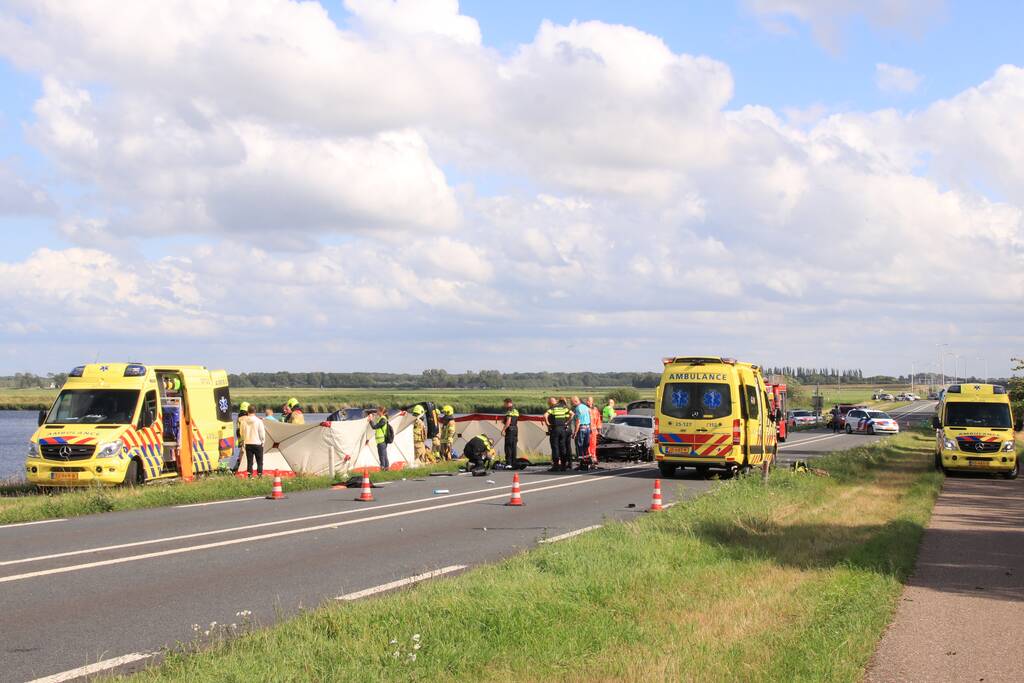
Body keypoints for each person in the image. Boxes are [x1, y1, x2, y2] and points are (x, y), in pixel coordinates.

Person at [545, 397, 573, 471]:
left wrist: (548, 425)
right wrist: (567, 423)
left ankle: (556, 466)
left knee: (555, 447)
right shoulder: (564, 408)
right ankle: (564, 466)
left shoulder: (553, 408)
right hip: (563, 429)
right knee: (563, 447)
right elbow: (572, 414)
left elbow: (545, 415)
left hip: (555, 429)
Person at [240, 404, 266, 478]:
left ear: (248, 411)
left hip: (248, 443)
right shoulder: (258, 421)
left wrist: (243, 440)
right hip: (257, 443)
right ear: (255, 411)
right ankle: (259, 475)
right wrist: (263, 441)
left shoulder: (243, 421)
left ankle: (249, 476)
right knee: (259, 461)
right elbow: (262, 433)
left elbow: (241, 432)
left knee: (249, 462)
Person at [571, 396, 591, 470]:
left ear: (575, 401)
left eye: (572, 402)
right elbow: (590, 416)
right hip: (588, 428)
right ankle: (586, 463)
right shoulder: (585, 407)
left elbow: (578, 422)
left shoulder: (577, 409)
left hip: (581, 428)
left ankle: (582, 464)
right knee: (586, 446)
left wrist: (575, 433)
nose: (571, 403)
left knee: (579, 446)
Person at [231, 401, 250, 474]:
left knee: (241, 453)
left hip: (240, 439)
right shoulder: (246, 418)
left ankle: (238, 467)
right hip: (246, 439)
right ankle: (242, 469)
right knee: (244, 453)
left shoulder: (239, 418)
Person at [502, 398, 519, 470]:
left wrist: (503, 430)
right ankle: (513, 463)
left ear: (508, 403)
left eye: (505, 403)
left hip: (510, 430)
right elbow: (514, 420)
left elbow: (508, 422)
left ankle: (508, 463)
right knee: (514, 446)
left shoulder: (509, 411)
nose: (504, 405)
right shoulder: (516, 410)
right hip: (515, 429)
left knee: (508, 447)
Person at [587, 396, 601, 468]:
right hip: (587, 429)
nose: (588, 402)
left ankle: (594, 457)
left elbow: (598, 419)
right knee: (588, 445)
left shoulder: (595, 409)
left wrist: (599, 429)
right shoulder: (586, 409)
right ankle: (589, 458)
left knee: (593, 444)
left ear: (592, 401)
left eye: (589, 401)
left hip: (594, 430)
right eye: (587, 401)